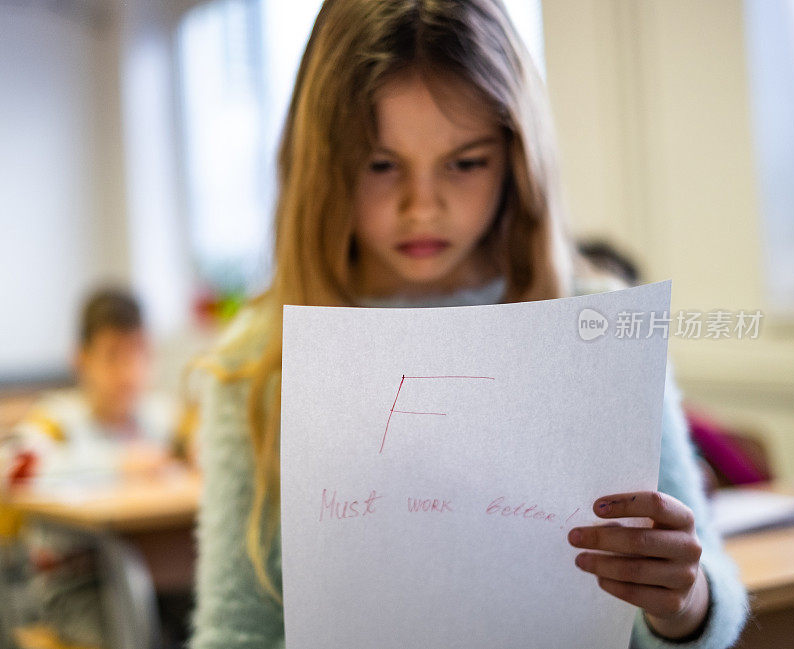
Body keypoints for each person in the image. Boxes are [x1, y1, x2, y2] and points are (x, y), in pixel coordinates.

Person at [187, 1, 751, 647]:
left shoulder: (595, 321)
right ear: (322, 165)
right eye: (379, 164)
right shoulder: (259, 359)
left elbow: (695, 579)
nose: (421, 206)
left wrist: (684, 603)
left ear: (517, 158)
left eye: (466, 162)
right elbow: (237, 630)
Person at [0, 286, 185, 647]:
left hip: (154, 580)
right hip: (74, 588)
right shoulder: (57, 419)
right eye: (112, 357)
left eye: (138, 355)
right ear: (80, 359)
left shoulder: (161, 417)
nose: (128, 373)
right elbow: (11, 470)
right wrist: (116, 463)